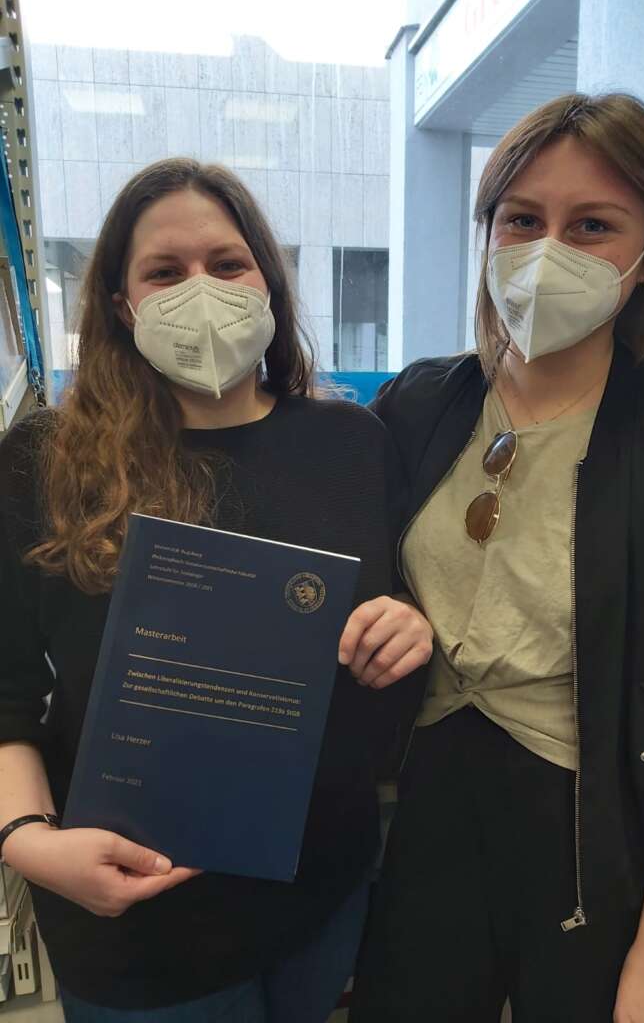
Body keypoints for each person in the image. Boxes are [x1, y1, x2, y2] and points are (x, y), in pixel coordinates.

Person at [349, 92, 644, 1023]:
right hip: (425, 808)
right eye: (523, 220)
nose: (547, 251)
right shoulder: (418, 406)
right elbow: (354, 573)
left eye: (593, 226)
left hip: (585, 839)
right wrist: (385, 610)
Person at [0, 158, 432, 1021]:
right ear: (123, 306)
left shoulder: (353, 444)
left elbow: (389, 630)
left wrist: (408, 630)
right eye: (165, 272)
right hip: (137, 926)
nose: (201, 289)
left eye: (227, 264)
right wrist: (26, 841)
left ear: (268, 283)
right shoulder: (46, 461)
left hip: (318, 898)